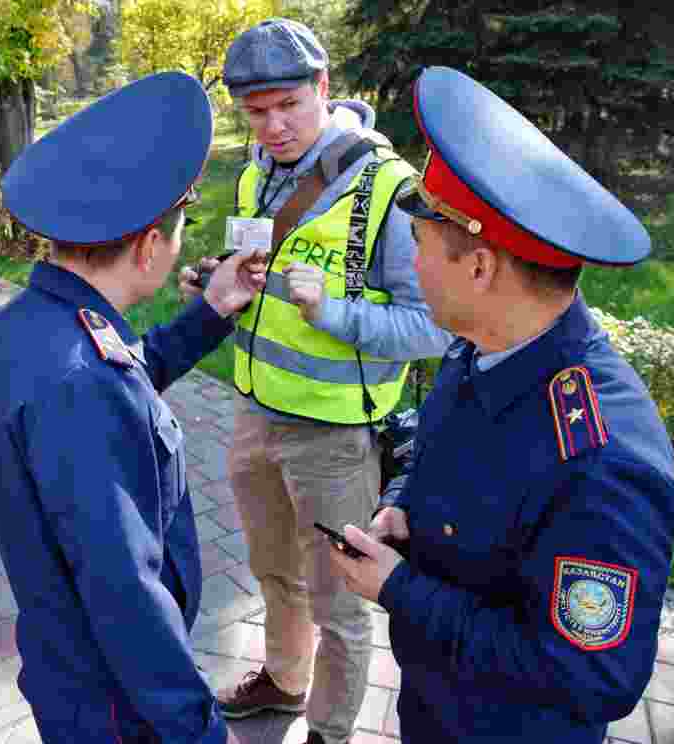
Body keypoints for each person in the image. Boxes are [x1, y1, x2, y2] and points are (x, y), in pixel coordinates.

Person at [328, 66, 674, 743]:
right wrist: (403, 504)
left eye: (421, 242)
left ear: (481, 267)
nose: (413, 260)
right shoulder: (483, 345)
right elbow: (442, 458)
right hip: (435, 706)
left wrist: (401, 591)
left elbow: (591, 678)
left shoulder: (604, 463)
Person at [178, 18, 453, 744]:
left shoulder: (389, 187)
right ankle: (284, 682)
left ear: (324, 89)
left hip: (335, 437)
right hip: (253, 412)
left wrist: (332, 311)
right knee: (274, 571)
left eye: (288, 106)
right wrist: (217, 285)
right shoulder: (254, 173)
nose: (272, 126)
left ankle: (330, 733)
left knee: (341, 606)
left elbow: (434, 328)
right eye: (256, 112)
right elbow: (260, 277)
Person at [0, 71, 267, 744]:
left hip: (76, 674)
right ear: (146, 247)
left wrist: (213, 308)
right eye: (180, 226)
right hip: (117, 706)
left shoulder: (28, 327)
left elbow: (124, 377)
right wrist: (200, 731)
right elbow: (125, 594)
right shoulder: (79, 379)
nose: (182, 241)